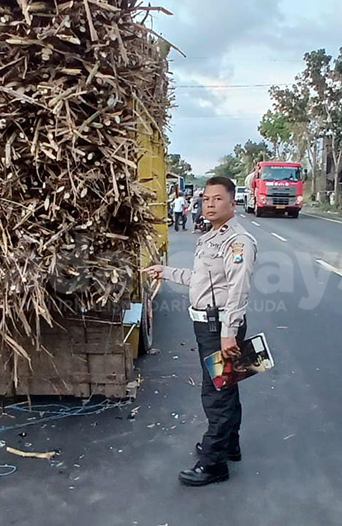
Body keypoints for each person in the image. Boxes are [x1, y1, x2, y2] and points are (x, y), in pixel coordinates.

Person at [144, 176, 258, 487]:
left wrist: (228, 331)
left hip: (218, 325)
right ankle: (228, 445)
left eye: (218, 199)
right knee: (227, 386)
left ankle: (213, 464)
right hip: (209, 324)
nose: (210, 204)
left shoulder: (238, 242)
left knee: (216, 393)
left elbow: (238, 289)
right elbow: (201, 279)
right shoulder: (211, 237)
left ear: (233, 203)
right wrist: (166, 272)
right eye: (206, 198)